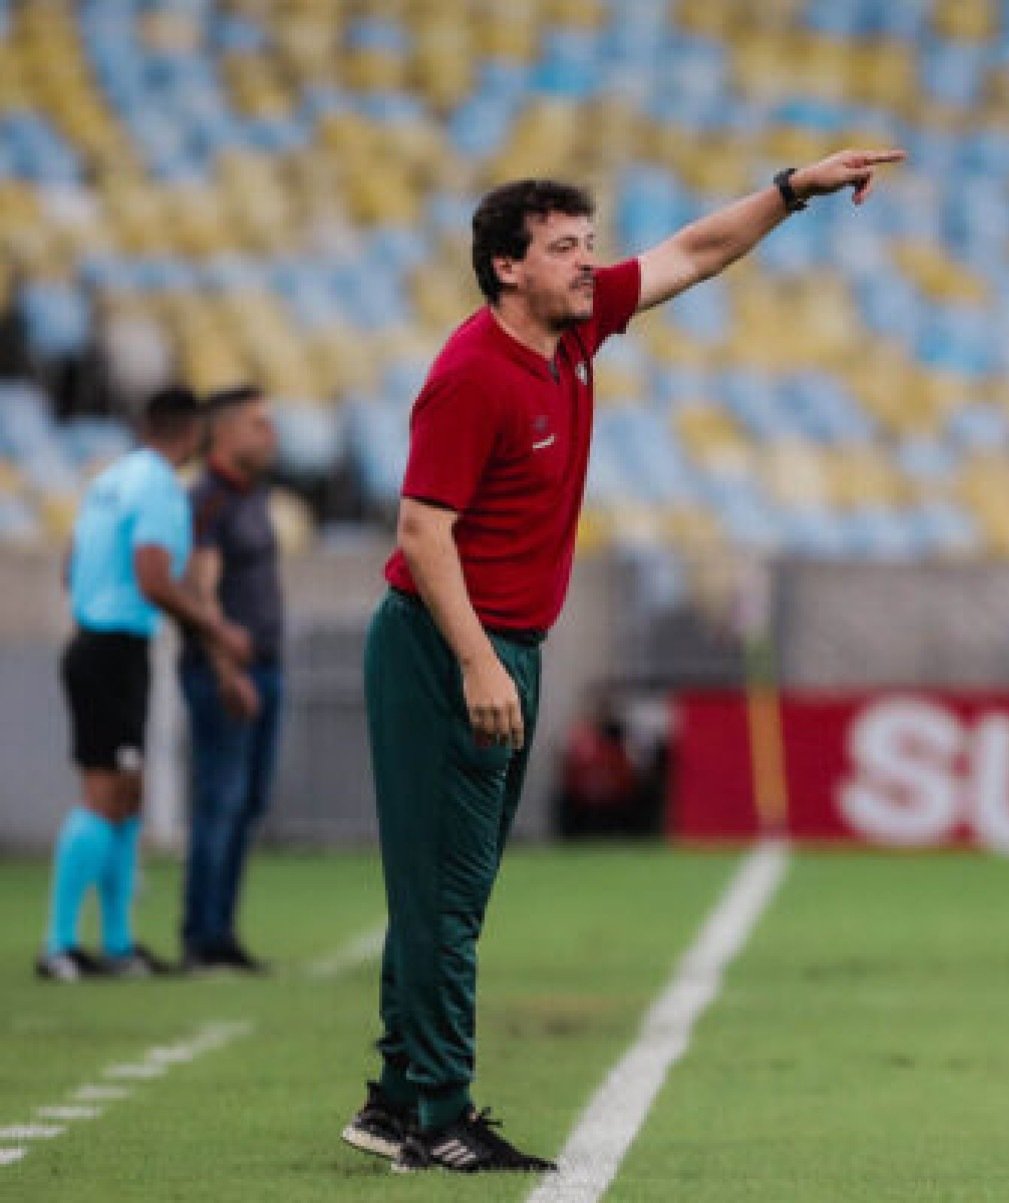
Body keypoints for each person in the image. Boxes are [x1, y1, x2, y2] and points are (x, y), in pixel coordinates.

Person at [340, 149, 904, 1174]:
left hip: (503, 644)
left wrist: (792, 192)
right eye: (564, 248)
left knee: (452, 892)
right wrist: (476, 663)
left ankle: (395, 1096)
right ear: (507, 267)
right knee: (446, 899)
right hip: (443, 647)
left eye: (589, 244)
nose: (587, 263)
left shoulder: (578, 326)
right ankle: (438, 1117)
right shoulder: (473, 374)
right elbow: (422, 533)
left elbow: (697, 251)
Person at [37, 387, 251, 982]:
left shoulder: (109, 479)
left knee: (126, 794)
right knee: (104, 795)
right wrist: (216, 627)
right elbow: (153, 577)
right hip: (114, 651)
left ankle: (118, 943)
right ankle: (59, 945)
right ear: (193, 432)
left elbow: (70, 567)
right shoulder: (159, 486)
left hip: (95, 641)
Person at [178, 385, 283, 973]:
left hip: (266, 667)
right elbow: (200, 591)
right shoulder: (208, 501)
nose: (271, 436)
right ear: (224, 433)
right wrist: (225, 668)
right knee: (220, 801)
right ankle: (202, 936)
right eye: (258, 425)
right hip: (228, 674)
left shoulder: (252, 495)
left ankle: (222, 930)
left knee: (247, 802)